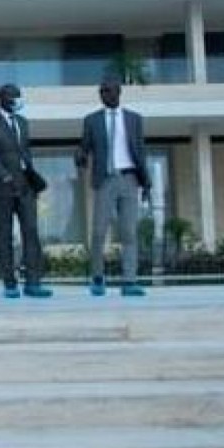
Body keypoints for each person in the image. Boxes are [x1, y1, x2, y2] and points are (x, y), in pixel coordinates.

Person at [75, 75, 152, 297]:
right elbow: (85, 147)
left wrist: (146, 183)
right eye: (101, 91)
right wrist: (80, 156)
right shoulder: (92, 120)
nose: (104, 95)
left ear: (118, 92)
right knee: (99, 231)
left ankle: (129, 281)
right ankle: (98, 277)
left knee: (129, 232)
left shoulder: (134, 119)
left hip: (129, 178)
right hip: (105, 179)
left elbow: (141, 152)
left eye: (107, 91)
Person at [0, 83, 52, 298]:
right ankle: (9, 283)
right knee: (4, 235)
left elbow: (25, 152)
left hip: (25, 186)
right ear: (2, 98)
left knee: (31, 231)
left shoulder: (22, 122)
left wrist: (31, 177)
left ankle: (33, 282)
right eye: (14, 97)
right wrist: (5, 175)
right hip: (2, 187)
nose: (18, 101)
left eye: (19, 97)